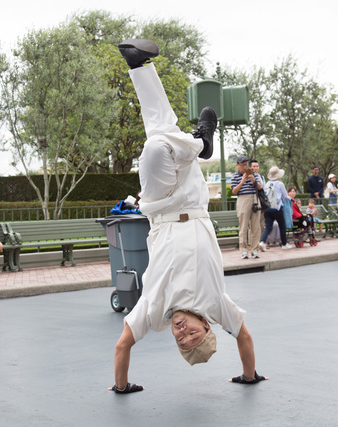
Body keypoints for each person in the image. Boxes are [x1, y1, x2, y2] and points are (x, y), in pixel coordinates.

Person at [109, 40, 266, 394]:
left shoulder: (154, 310)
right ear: (208, 327)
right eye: (193, 334)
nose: (182, 332)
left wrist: (121, 387)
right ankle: (142, 70)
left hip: (160, 206)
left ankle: (197, 142)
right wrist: (249, 375)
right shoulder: (216, 304)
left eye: (181, 339)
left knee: (156, 143)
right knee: (159, 134)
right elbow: (244, 336)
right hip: (194, 204)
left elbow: (122, 345)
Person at [231, 155, 263, 259]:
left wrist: (253, 180)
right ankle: (243, 250)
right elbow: (234, 191)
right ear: (237, 165)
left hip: (254, 199)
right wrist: (242, 182)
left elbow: (260, 187)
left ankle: (254, 250)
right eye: (243, 165)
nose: (245, 167)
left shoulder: (254, 174)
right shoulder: (235, 177)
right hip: (242, 200)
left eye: (246, 164)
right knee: (243, 227)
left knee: (255, 227)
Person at [259, 166, 293, 251]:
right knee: (282, 226)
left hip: (267, 209)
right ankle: (284, 244)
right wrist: (290, 198)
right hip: (277, 208)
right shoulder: (280, 184)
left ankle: (262, 242)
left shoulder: (267, 184)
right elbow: (285, 196)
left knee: (268, 227)